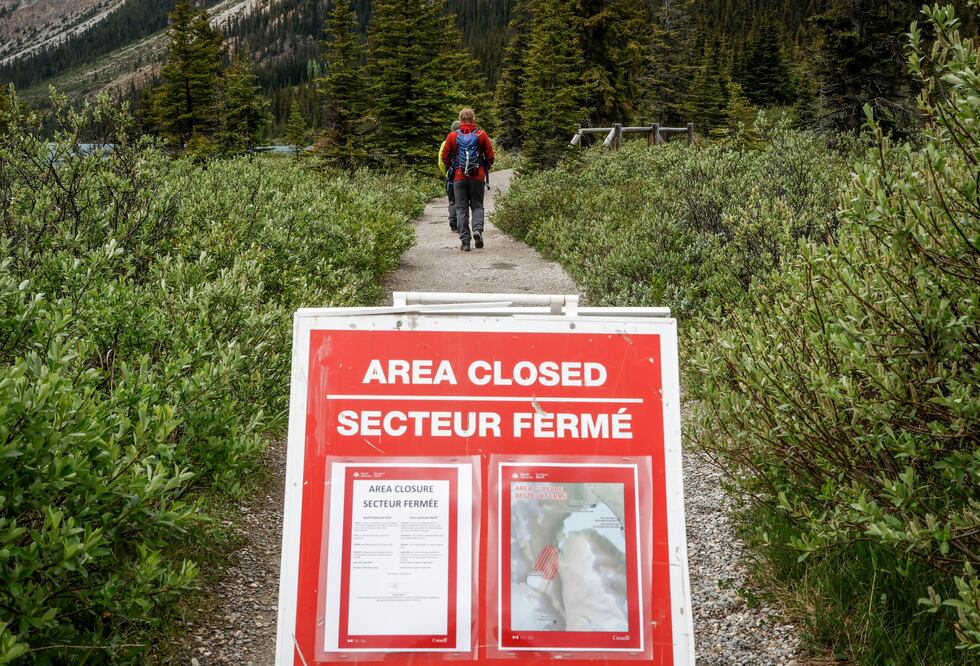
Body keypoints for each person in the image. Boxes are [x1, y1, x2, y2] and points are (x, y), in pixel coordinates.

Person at [441, 108, 494, 251]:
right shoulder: (481, 135)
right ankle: (477, 230)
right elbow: (490, 155)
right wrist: (484, 168)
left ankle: (465, 242)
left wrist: (452, 167)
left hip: (459, 177)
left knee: (461, 209)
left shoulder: (452, 136)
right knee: (477, 205)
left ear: (460, 120)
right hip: (477, 177)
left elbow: (444, 156)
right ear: (474, 120)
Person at [438, 120, 462, 232]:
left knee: (452, 200)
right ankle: (462, 224)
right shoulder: (464, 140)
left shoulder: (445, 143)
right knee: (462, 201)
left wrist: (447, 173)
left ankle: (453, 223)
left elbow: (441, 162)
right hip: (462, 175)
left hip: (450, 176)